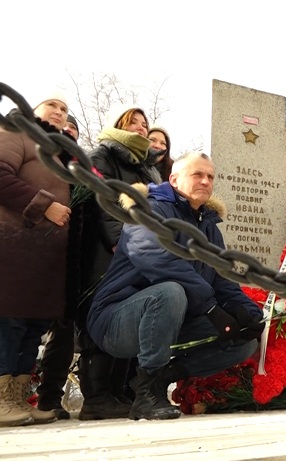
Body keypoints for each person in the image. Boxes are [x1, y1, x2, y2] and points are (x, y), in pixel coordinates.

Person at [86, 152, 264, 420]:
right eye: (197, 174)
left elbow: (222, 277)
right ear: (174, 179)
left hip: (175, 319)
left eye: (210, 177)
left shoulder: (209, 226)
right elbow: (156, 259)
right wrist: (211, 307)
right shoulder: (147, 209)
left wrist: (246, 311)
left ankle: (160, 380)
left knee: (244, 342)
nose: (205, 181)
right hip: (117, 321)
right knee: (170, 291)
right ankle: (145, 397)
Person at [78, 104, 162, 420]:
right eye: (134, 122)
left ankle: (119, 391)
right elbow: (104, 199)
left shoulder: (149, 168)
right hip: (110, 253)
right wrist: (118, 240)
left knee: (132, 320)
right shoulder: (104, 155)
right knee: (103, 319)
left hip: (141, 252)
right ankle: (96, 397)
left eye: (145, 123)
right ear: (120, 125)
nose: (141, 127)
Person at [1, 91, 74, 426]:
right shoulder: (17, 134)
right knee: (9, 322)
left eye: (64, 109)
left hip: (45, 257)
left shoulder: (59, 155)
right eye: (52, 106)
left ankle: (16, 397)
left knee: (33, 327)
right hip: (12, 247)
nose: (59, 112)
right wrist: (46, 204)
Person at [35, 111, 84, 420]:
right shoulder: (35, 158)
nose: (67, 131)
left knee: (63, 332)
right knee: (24, 327)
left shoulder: (81, 170)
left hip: (71, 257)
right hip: (34, 253)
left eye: (72, 130)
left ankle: (49, 397)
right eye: (63, 127)